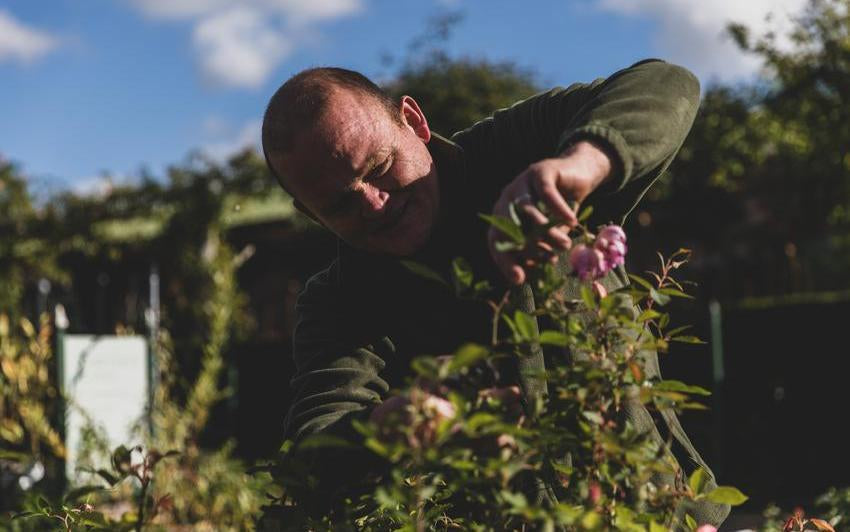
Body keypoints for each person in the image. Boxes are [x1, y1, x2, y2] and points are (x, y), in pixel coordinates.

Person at [261, 59, 730, 526]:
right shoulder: (339, 301)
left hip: (667, 517)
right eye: (340, 204)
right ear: (310, 213)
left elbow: (667, 84)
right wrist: (388, 426)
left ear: (415, 121)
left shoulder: (515, 150)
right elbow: (311, 453)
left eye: (381, 166)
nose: (374, 204)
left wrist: (580, 166)